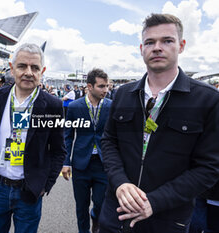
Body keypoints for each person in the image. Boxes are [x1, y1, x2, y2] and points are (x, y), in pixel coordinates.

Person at [99, 13, 219, 233]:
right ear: (141, 49)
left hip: (167, 219)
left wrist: (154, 201)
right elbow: (109, 142)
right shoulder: (122, 94)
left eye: (167, 41)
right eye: (149, 42)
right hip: (115, 213)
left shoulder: (207, 99)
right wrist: (120, 182)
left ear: (181, 46)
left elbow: (208, 168)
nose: (157, 47)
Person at [0, 43, 66, 233]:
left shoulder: (52, 105)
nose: (28, 72)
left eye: (34, 68)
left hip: (29, 191)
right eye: (22, 66)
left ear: (42, 71)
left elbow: (58, 150)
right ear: (12, 68)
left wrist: (44, 185)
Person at [62, 68, 111, 233]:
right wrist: (65, 162)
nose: (106, 90)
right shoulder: (75, 107)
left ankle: (96, 219)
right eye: (102, 86)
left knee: (100, 203)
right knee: (81, 206)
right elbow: (67, 136)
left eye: (107, 86)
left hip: (103, 164)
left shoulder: (111, 106)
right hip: (81, 164)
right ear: (90, 86)